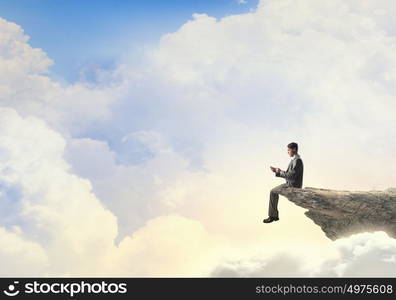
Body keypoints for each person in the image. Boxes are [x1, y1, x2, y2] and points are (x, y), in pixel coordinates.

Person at [263, 142, 304, 223]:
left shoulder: (297, 161)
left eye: (289, 150)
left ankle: (272, 216)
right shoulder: (295, 160)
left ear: (294, 149)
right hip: (290, 184)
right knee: (273, 191)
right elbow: (290, 174)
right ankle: (274, 216)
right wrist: (278, 171)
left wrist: (279, 172)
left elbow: (291, 177)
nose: (287, 152)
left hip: (292, 186)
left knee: (273, 192)